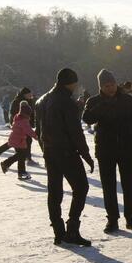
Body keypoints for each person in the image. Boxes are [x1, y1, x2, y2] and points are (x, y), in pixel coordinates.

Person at [82, 69, 132, 234]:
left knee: (128, 186)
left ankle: (131, 218)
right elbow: (87, 118)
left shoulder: (127, 100)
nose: (110, 88)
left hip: (127, 149)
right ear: (100, 87)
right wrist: (101, 106)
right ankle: (112, 220)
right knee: (108, 187)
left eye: (111, 84)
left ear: (116, 84)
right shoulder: (94, 101)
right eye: (106, 86)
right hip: (105, 150)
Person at [35, 68, 94, 246]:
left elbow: (38, 130)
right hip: (66, 151)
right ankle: (72, 230)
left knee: (54, 192)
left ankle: (59, 232)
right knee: (81, 187)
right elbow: (75, 132)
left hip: (50, 150)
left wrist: (45, 148)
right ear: (71, 83)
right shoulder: (66, 102)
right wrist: (86, 155)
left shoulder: (42, 100)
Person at [0, 101, 38, 179]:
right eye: (29, 114)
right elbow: (28, 130)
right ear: (26, 114)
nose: (29, 116)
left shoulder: (18, 117)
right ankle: (7, 164)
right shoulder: (24, 121)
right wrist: (36, 136)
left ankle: (20, 172)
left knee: (21, 156)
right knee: (21, 155)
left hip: (16, 139)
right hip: (19, 141)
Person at [10, 88, 37, 164]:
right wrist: (18, 121)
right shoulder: (17, 101)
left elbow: (32, 112)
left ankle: (25, 158)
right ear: (24, 94)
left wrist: (32, 121)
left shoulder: (30, 101)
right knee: (25, 141)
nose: (31, 95)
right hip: (21, 125)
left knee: (23, 142)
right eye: (29, 94)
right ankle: (27, 159)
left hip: (26, 124)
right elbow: (13, 113)